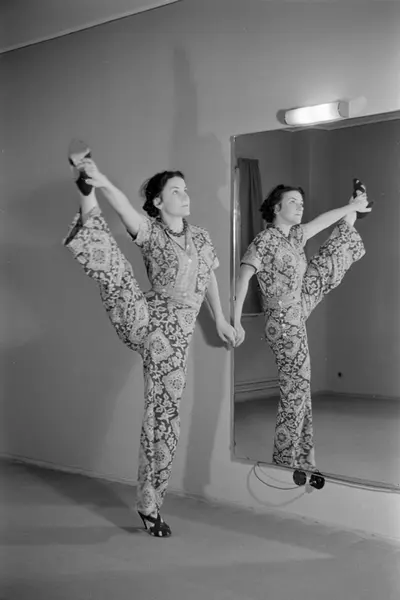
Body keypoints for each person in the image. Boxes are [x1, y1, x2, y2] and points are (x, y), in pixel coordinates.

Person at [63, 147, 236, 537]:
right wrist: (101, 182)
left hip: (176, 341)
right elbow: (125, 209)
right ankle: (86, 192)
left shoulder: (202, 237)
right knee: (118, 273)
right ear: (158, 202)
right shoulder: (151, 231)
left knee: (164, 418)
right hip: (146, 320)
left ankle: (150, 505)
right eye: (176, 191)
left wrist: (221, 319)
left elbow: (208, 277)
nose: (185, 195)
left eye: (185, 189)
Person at [233, 184, 371, 471]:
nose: (300, 206)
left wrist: (351, 207)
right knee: (296, 387)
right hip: (282, 319)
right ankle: (286, 460)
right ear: (276, 208)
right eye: (293, 202)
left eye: (301, 202)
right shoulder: (265, 240)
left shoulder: (295, 236)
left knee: (327, 260)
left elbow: (321, 222)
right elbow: (243, 279)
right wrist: (235, 321)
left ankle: (303, 458)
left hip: (299, 301)